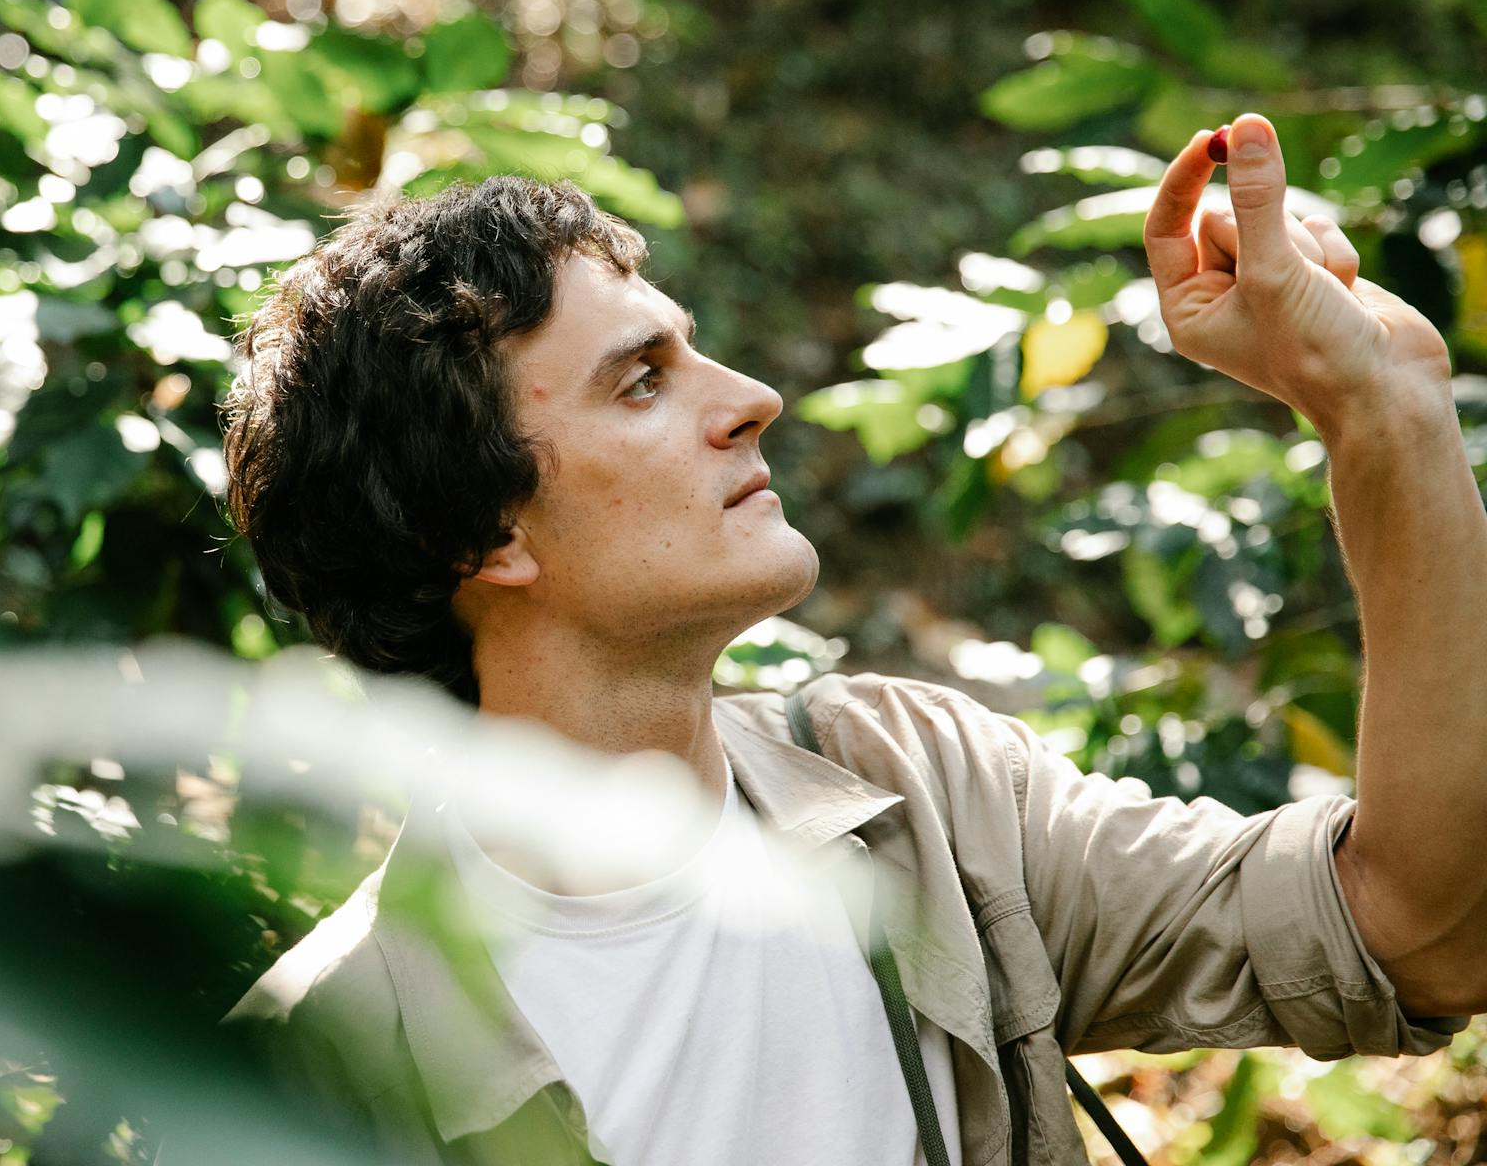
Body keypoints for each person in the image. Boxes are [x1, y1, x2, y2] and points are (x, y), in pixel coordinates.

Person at [217, 113, 1486, 1165]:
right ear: (483, 536)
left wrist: (1388, 412)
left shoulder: (917, 788)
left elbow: (1423, 925)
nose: (751, 398)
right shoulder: (310, 1075)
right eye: (643, 378)